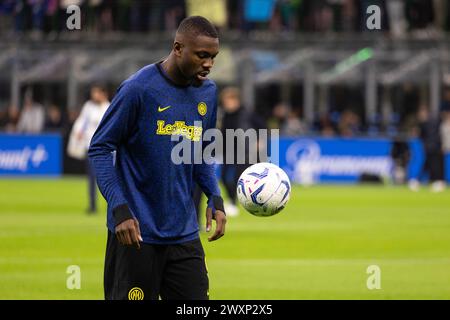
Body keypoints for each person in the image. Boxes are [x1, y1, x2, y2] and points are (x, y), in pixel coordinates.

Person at [88, 16, 226, 300]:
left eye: (213, 57)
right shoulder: (138, 89)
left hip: (184, 235)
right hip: (135, 234)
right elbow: (100, 148)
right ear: (178, 48)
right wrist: (119, 208)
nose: (209, 64)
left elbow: (199, 152)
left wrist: (215, 196)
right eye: (202, 55)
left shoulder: (208, 93)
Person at [218, 86, 266, 217]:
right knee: (223, 177)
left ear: (236, 100)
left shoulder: (247, 114)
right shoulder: (224, 115)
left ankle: (235, 203)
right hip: (228, 151)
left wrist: (259, 142)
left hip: (245, 152)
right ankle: (232, 201)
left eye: (229, 101)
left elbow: (262, 127)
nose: (227, 104)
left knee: (238, 179)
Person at [68, 85, 110, 213]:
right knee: (91, 178)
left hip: (105, 149)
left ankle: (112, 206)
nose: (94, 96)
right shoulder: (88, 106)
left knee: (107, 179)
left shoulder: (109, 107)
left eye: (96, 93)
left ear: (103, 93)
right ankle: (92, 205)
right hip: (90, 147)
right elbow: (82, 122)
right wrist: (79, 132)